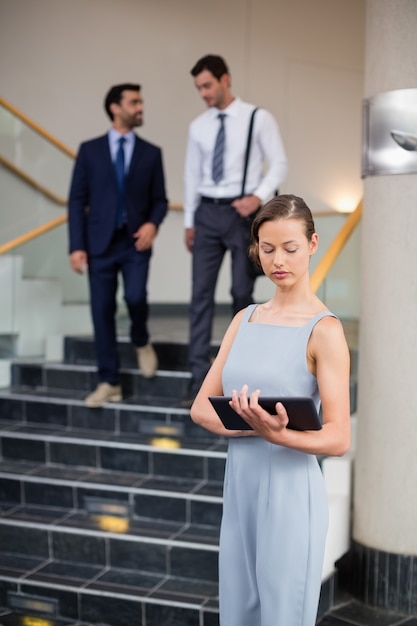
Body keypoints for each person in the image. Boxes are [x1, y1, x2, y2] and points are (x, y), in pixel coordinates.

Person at [190, 194, 351, 626]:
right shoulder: (243, 319)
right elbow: (202, 409)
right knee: (238, 614)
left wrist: (278, 435)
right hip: (240, 486)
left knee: (282, 615)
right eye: (267, 249)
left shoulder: (325, 330)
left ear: (313, 244)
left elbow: (338, 438)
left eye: (290, 248)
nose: (278, 260)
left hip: (291, 492)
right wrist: (255, 427)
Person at [183, 54, 288, 401]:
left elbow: (279, 162)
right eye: (198, 87)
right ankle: (198, 374)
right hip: (206, 214)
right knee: (200, 294)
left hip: (241, 213)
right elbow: (191, 175)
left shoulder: (257, 117)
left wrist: (257, 197)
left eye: (207, 85)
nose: (203, 93)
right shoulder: (198, 126)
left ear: (225, 79)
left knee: (241, 294)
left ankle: (237, 368)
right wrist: (189, 221)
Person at [68, 83, 168, 408]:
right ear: (115, 107)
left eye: (141, 101)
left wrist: (153, 223)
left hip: (135, 242)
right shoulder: (89, 150)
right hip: (99, 244)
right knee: (102, 311)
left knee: (135, 297)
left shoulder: (151, 153)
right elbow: (76, 200)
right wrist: (76, 245)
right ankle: (109, 381)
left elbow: (160, 200)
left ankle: (141, 339)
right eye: (134, 102)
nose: (140, 107)